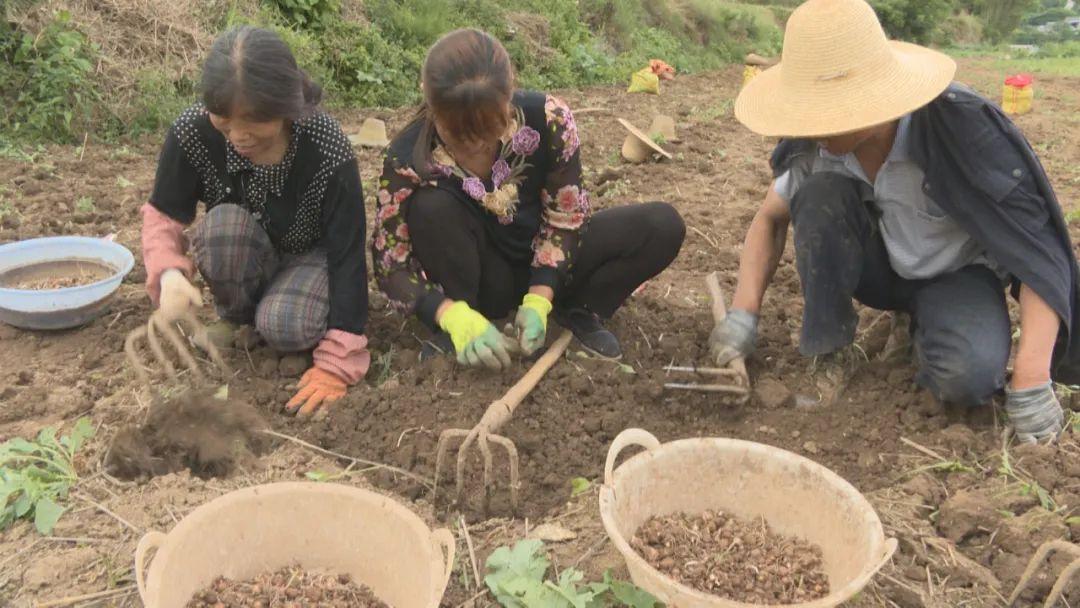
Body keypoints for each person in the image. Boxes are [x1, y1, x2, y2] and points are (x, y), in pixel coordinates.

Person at [711, 0, 1076, 442]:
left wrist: (1032, 378)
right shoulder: (815, 144)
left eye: (830, 110)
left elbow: (1035, 251)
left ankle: (923, 327)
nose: (815, 126)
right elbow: (769, 219)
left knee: (969, 380)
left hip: (957, 276)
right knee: (821, 195)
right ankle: (832, 353)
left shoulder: (963, 131)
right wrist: (743, 315)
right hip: (879, 266)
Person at [372, 29, 685, 368]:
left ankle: (580, 309)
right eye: (459, 136)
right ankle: (469, 327)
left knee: (662, 226)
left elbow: (566, 217)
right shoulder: (408, 157)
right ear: (429, 100)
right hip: (483, 279)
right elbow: (391, 264)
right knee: (430, 208)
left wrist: (539, 297)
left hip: (551, 262)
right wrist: (451, 314)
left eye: (488, 131)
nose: (475, 146)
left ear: (509, 93)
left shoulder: (548, 120)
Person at [140, 26, 370, 417]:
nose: (238, 137)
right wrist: (168, 274)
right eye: (224, 121)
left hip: (309, 256)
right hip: (246, 249)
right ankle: (238, 318)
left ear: (286, 107)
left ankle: (273, 315)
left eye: (252, 122)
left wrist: (337, 361)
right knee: (221, 227)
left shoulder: (325, 147)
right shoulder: (192, 133)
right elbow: (165, 214)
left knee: (286, 325)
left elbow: (347, 253)